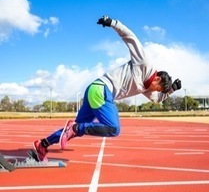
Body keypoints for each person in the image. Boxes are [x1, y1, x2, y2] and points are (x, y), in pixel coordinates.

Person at [32, 15, 182, 162]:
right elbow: (130, 37)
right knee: (113, 129)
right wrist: (112, 23)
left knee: (72, 132)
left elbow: (156, 100)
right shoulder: (144, 63)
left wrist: (171, 90)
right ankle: (76, 127)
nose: (154, 91)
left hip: (94, 91)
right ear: (157, 78)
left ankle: (43, 144)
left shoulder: (148, 88)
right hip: (102, 89)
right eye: (158, 88)